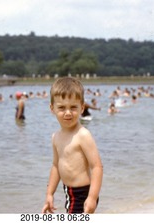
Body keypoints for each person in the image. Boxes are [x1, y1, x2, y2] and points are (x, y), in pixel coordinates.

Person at [42, 77, 103, 214]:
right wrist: (49, 194)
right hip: (69, 191)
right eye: (62, 108)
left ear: (82, 108)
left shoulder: (83, 135)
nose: (68, 112)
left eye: (73, 107)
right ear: (52, 109)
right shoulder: (55, 137)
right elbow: (56, 166)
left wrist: (92, 197)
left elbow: (97, 166)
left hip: (83, 193)